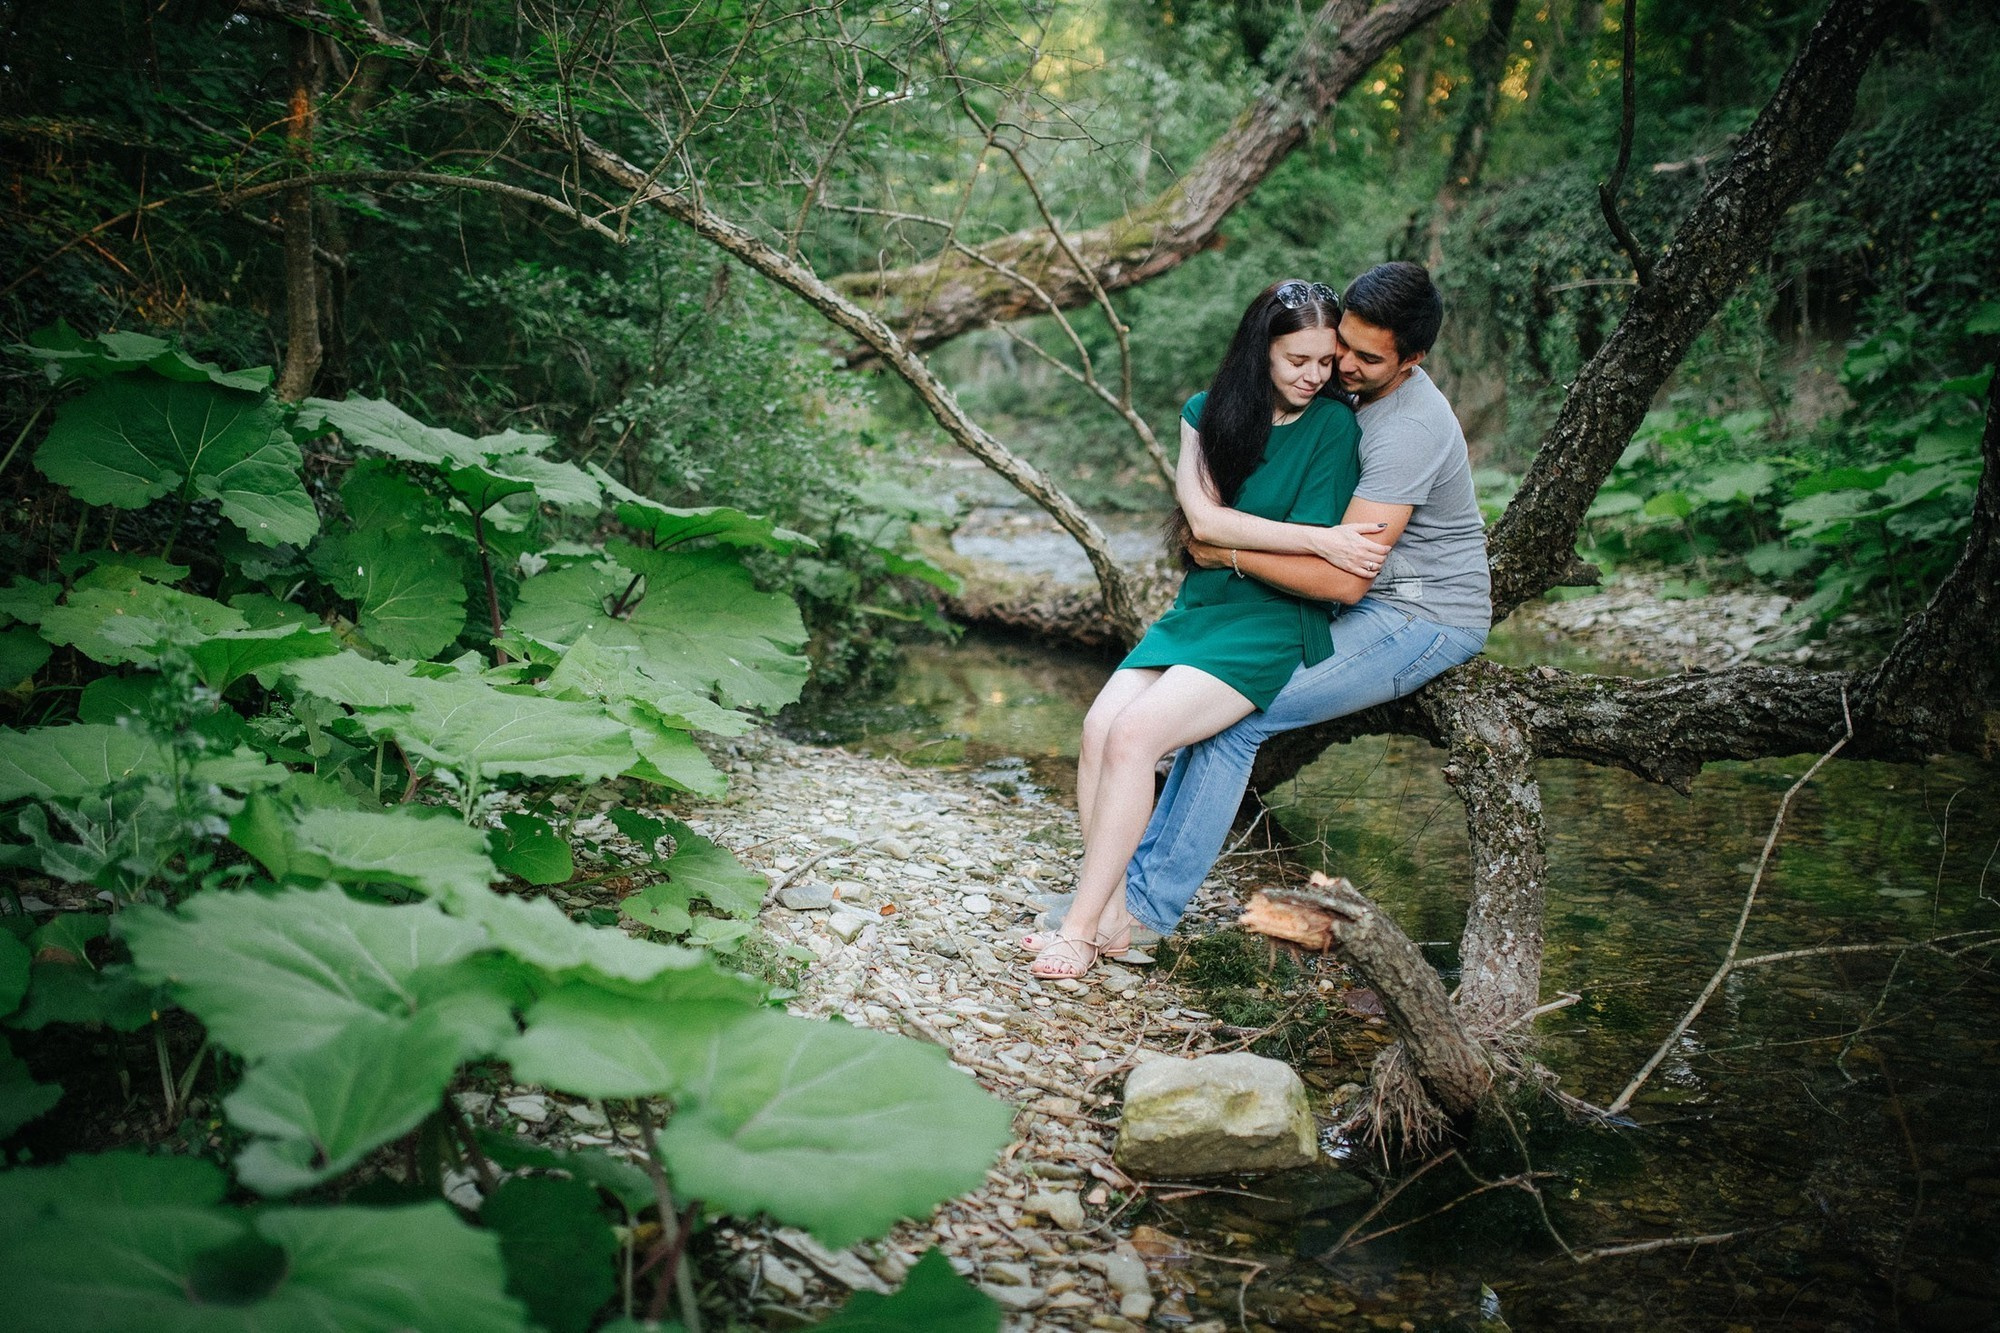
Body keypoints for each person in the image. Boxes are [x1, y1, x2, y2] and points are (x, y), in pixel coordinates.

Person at [1027, 279, 1395, 980]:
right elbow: (1203, 523)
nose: (1315, 376)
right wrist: (1318, 543)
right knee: (1100, 728)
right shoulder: (1207, 413)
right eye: (1298, 360)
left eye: (1325, 361)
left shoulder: (1333, 426)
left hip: (1271, 617)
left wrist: (1312, 542)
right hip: (1202, 605)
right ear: (1261, 352)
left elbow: (1299, 532)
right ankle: (1106, 915)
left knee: (1137, 736)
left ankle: (1078, 928)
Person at [1120, 261, 1491, 947]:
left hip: (1422, 612)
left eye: (1365, 357)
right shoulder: (1339, 382)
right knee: (1198, 697)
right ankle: (1121, 891)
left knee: (1237, 711)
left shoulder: (1409, 428)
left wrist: (1225, 551)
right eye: (1340, 343)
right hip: (1359, 595)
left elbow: (1348, 581)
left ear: (1413, 360)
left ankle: (1141, 913)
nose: (1340, 365)